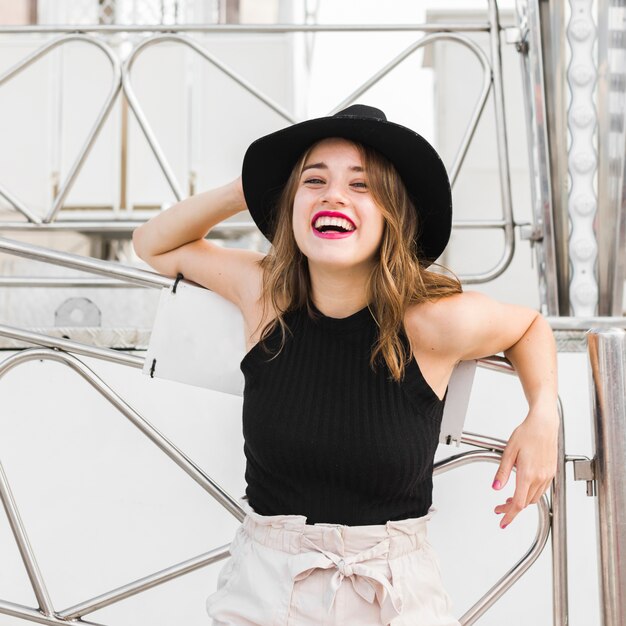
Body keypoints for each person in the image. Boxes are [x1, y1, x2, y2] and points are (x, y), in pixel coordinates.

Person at [132, 104, 559, 626]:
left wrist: (543, 416)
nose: (333, 194)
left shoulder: (432, 324)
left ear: (392, 217)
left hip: (396, 593)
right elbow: (151, 244)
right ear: (289, 206)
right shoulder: (264, 294)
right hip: (264, 590)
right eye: (314, 180)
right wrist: (250, 187)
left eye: (361, 186)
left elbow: (529, 326)